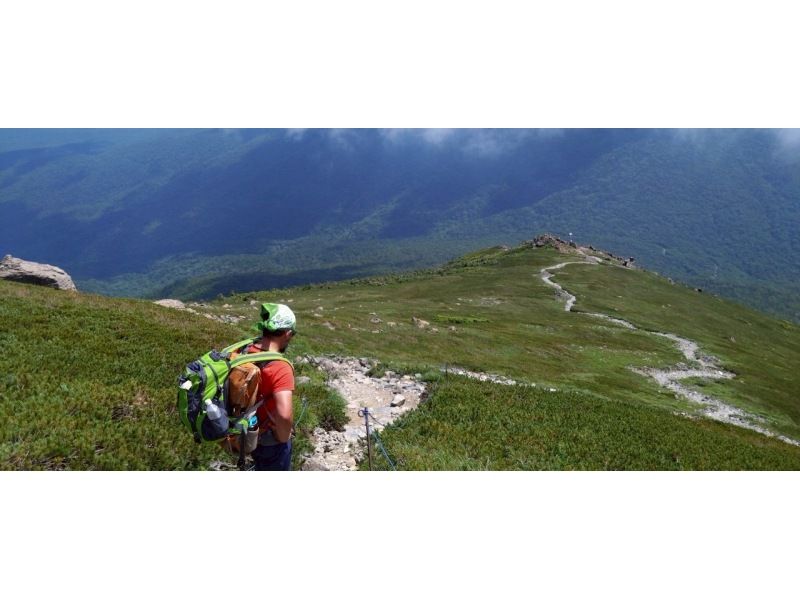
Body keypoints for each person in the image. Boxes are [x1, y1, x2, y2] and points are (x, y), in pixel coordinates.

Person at [246, 303, 297, 471]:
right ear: (288, 333)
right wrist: (283, 437)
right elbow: (284, 415)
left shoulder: (246, 351)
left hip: (246, 434)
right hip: (270, 443)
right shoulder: (280, 366)